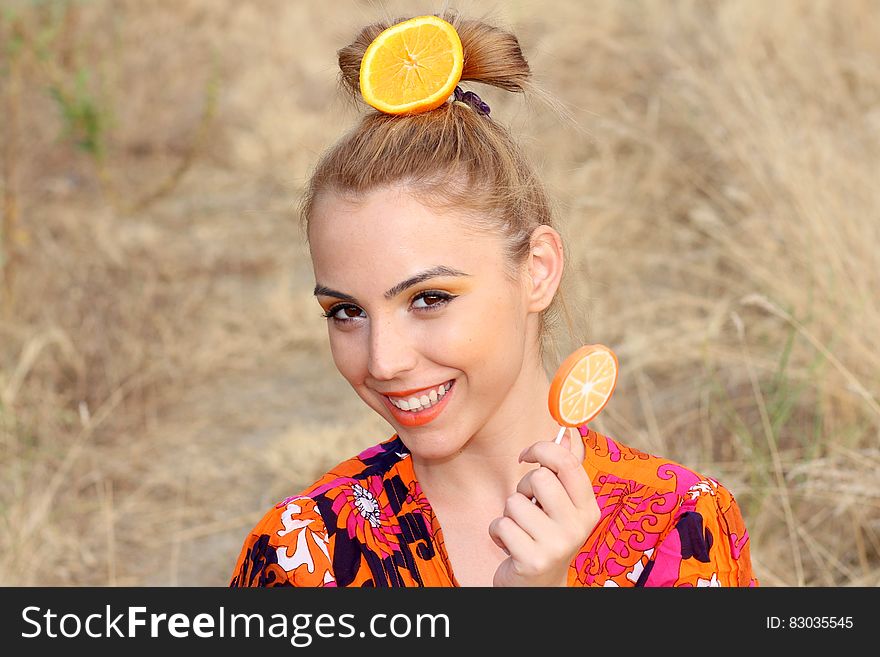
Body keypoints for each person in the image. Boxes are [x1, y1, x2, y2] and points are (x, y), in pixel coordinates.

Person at [229, 11, 758, 588]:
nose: (384, 361)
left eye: (428, 298)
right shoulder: (301, 551)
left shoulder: (679, 527)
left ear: (537, 271)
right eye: (346, 312)